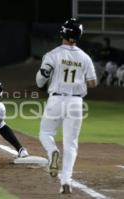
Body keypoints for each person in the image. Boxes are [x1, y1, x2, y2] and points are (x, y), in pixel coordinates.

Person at [35, 18, 97, 194]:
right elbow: (92, 83)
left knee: (45, 133)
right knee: (71, 144)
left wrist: (45, 72)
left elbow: (40, 81)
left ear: (62, 33)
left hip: (56, 99)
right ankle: (66, 182)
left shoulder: (52, 55)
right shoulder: (85, 57)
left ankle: (53, 152)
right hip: (76, 102)